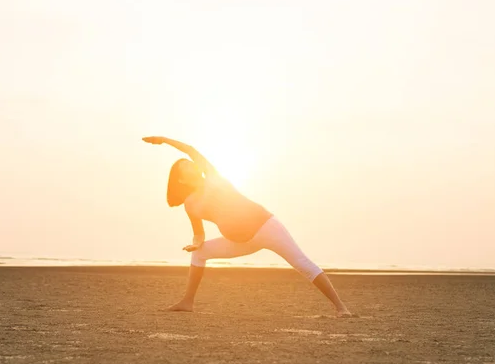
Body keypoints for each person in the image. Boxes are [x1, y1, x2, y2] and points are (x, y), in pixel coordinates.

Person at [142, 136, 353, 317]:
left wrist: (165, 140)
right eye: (185, 166)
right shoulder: (191, 204)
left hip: (266, 228)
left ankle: (341, 308)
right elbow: (199, 234)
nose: (190, 164)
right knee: (200, 254)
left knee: (302, 264)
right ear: (180, 180)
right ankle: (187, 303)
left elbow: (191, 150)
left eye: (189, 163)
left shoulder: (213, 176)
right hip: (239, 241)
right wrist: (195, 244)